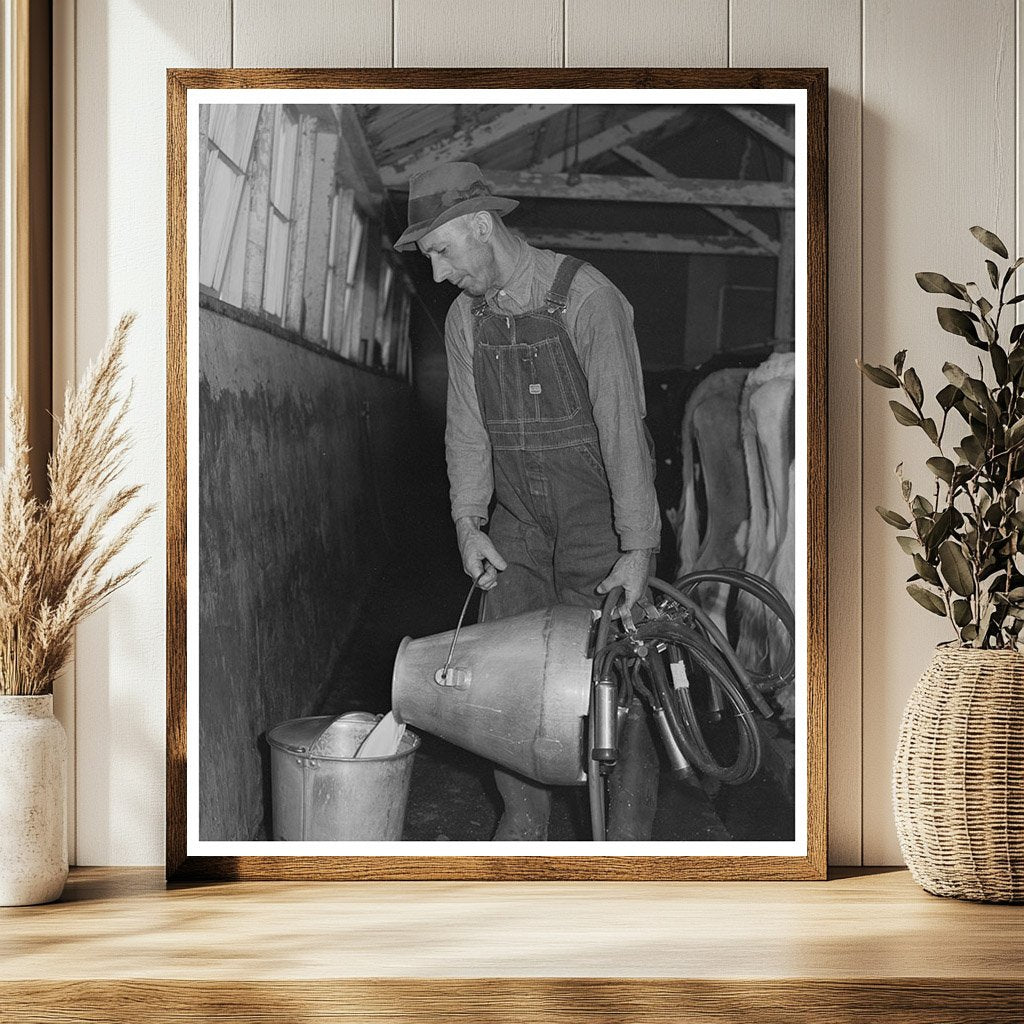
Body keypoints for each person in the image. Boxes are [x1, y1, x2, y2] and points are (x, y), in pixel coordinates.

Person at [395, 162, 661, 841]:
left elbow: (623, 430)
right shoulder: (465, 319)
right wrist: (467, 522)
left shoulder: (587, 299)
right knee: (496, 685)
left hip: (597, 530)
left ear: (482, 227)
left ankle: (624, 848)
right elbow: (468, 428)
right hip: (516, 530)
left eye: (442, 252)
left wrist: (637, 549)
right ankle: (524, 827)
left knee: (618, 686)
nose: (438, 274)